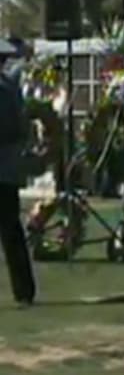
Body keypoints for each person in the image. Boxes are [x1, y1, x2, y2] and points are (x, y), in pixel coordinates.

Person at [0, 48, 37, 307]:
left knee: (11, 230)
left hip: (3, 165)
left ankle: (24, 289)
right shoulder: (11, 88)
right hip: (8, 168)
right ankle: (24, 290)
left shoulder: (6, 90)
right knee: (11, 231)